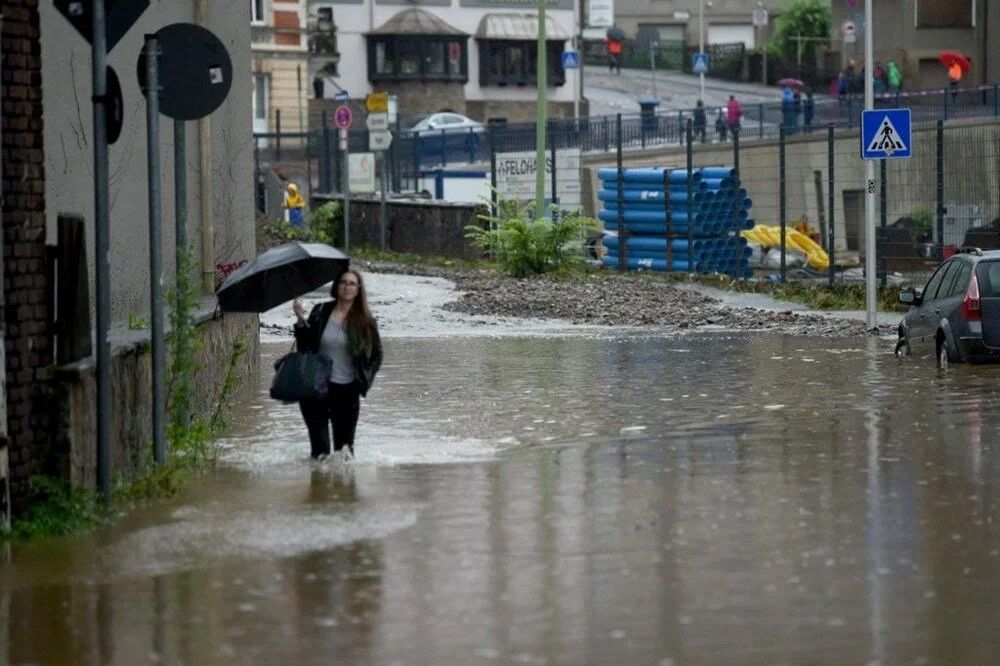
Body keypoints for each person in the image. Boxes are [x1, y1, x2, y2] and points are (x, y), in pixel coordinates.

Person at [292, 268, 383, 460]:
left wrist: (364, 380)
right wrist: (300, 320)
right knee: (320, 452)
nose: (347, 287)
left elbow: (377, 355)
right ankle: (319, 488)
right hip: (316, 389)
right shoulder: (320, 311)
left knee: (345, 453)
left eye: (352, 283)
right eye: (343, 282)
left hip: (348, 392)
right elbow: (305, 347)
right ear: (336, 286)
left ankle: (345, 490)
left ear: (358, 289)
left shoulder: (366, 321)